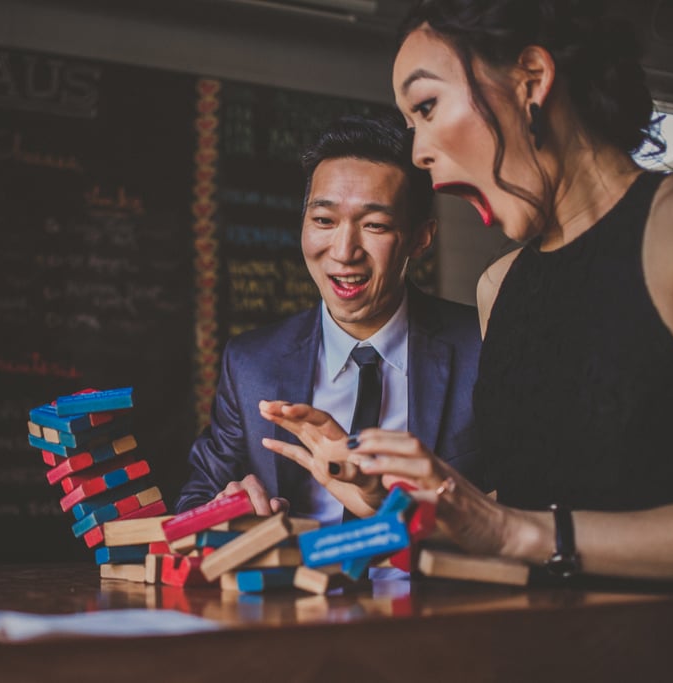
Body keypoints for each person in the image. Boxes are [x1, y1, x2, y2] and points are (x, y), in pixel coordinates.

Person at [262, 0, 673, 581]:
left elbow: (522, 530)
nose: (419, 152)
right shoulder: (498, 286)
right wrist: (388, 499)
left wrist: (514, 530)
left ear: (532, 79)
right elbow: (517, 513)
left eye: (427, 107)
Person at [177, 111, 483, 524]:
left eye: (374, 225)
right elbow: (194, 500)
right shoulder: (251, 363)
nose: (343, 251)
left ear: (420, 238)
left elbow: (526, 505)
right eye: (323, 220)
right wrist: (226, 509)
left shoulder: (483, 346)